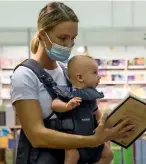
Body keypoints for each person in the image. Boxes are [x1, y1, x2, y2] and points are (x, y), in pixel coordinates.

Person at [10, 1, 135, 164]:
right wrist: (93, 141)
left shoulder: (67, 71)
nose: (69, 45)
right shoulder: (24, 75)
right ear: (42, 35)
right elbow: (37, 136)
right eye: (62, 38)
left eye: (73, 38)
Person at [51, 55, 113, 164]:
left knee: (108, 155)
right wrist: (66, 106)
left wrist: (101, 122)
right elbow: (54, 104)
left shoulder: (91, 96)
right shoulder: (67, 93)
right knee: (71, 156)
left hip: (92, 137)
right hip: (72, 141)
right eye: (95, 73)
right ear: (80, 77)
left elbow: (96, 112)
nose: (99, 77)